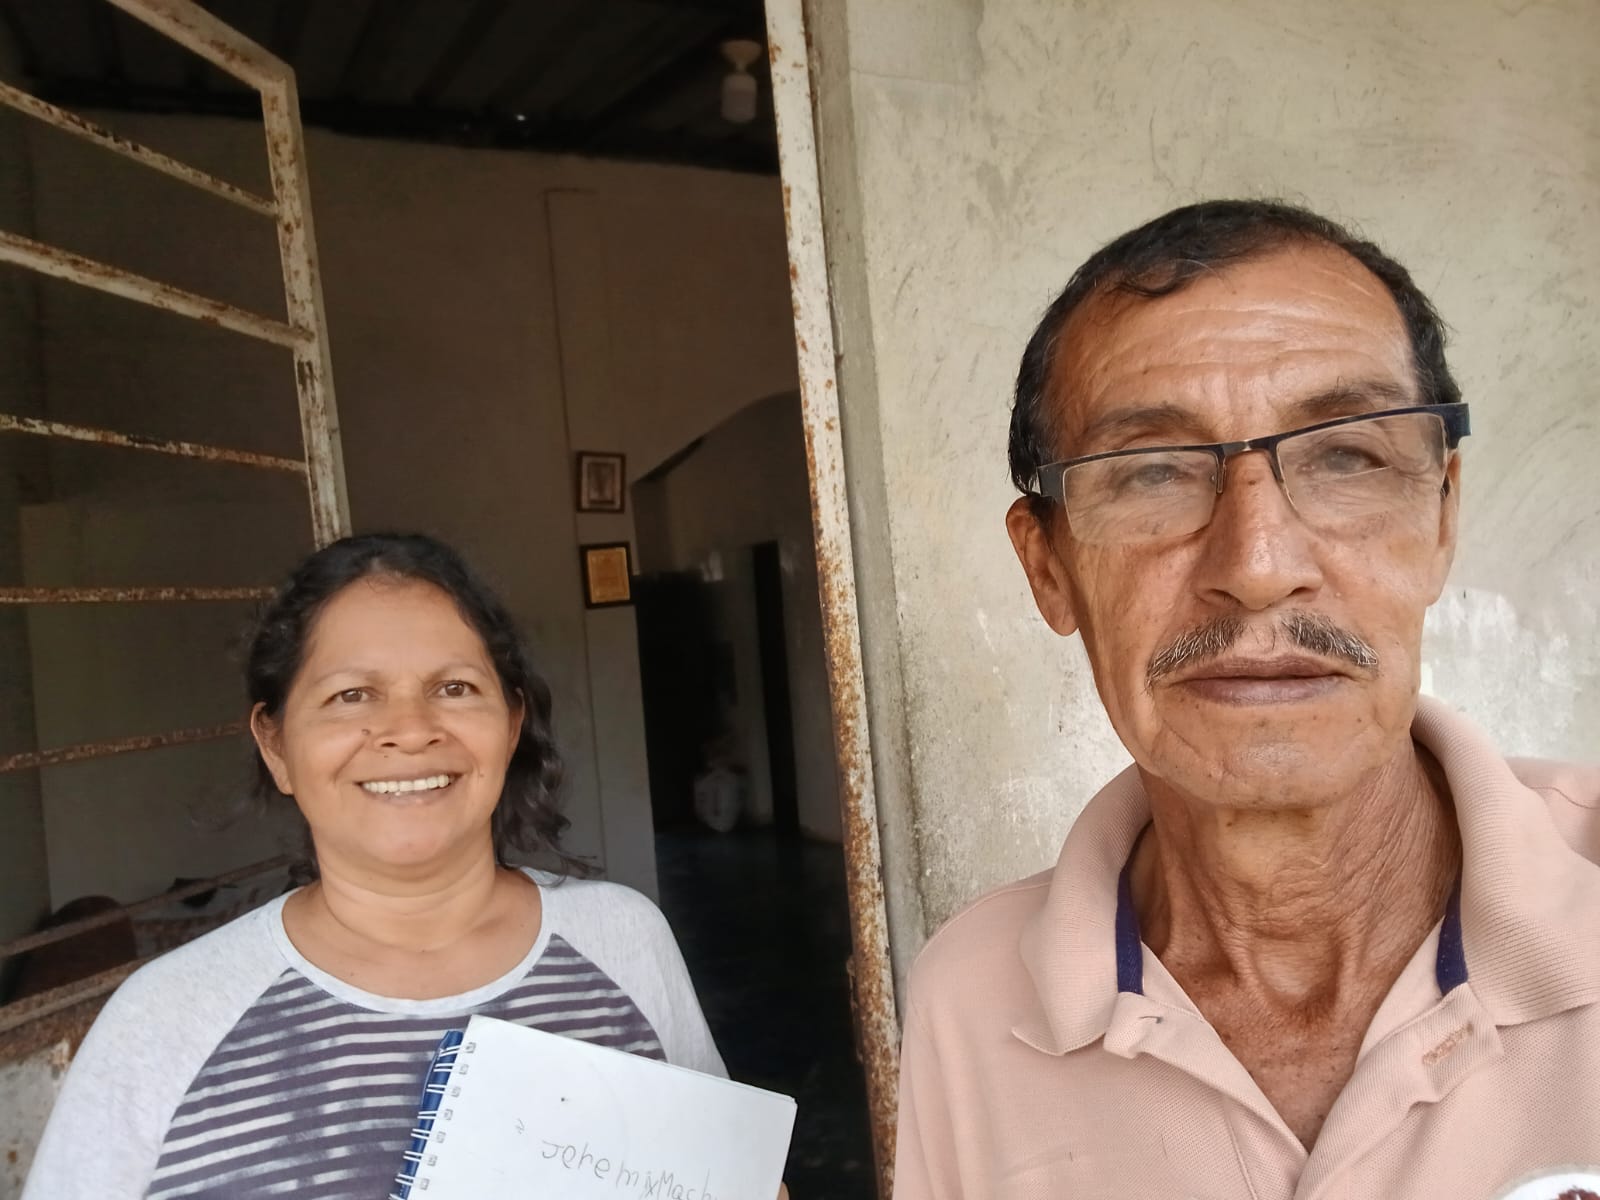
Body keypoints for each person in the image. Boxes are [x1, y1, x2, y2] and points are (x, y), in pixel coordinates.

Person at [893, 200, 1600, 1197]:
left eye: (1345, 456)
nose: (1258, 567)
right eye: (1149, 473)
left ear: (1442, 518)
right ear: (1048, 569)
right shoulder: (971, 1000)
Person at [24, 533, 726, 1199]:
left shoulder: (623, 942)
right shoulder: (165, 1021)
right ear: (276, 746)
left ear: (511, 725)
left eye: (455, 687)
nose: (410, 730)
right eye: (351, 695)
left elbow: (714, 1174)